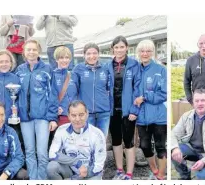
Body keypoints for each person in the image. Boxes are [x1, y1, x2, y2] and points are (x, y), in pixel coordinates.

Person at [15, 39, 58, 180]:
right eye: (29, 50)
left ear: (38, 51)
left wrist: (52, 118)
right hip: (25, 118)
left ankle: (42, 179)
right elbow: (15, 94)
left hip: (42, 118)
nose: (31, 52)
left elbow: (53, 95)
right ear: (24, 52)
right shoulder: (19, 70)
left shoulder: (47, 69)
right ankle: (33, 179)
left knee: (42, 152)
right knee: (29, 151)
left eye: (34, 49)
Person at [108, 36, 142, 180]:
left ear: (127, 48)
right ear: (113, 49)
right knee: (116, 141)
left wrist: (135, 110)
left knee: (128, 142)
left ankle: (129, 173)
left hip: (128, 111)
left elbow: (138, 88)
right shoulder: (107, 65)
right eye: (116, 47)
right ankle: (120, 170)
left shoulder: (134, 65)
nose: (119, 50)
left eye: (122, 47)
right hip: (112, 111)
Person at [133, 39, 167, 180]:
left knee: (160, 146)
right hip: (141, 117)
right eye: (142, 51)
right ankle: (154, 169)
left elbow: (163, 94)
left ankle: (161, 174)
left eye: (148, 51)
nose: (145, 53)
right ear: (138, 53)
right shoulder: (135, 70)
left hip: (159, 116)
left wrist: (145, 97)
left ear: (153, 52)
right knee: (145, 146)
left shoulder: (161, 70)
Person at [47, 101, 106, 180]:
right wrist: (76, 163)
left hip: (90, 173)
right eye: (73, 115)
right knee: (51, 167)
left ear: (87, 114)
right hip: (70, 170)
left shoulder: (97, 134)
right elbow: (52, 154)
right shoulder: (61, 130)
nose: (77, 119)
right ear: (68, 116)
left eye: (81, 115)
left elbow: (98, 166)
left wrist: (75, 179)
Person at [72, 43, 113, 137]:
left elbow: (109, 88)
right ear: (84, 55)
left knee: (101, 142)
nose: (92, 56)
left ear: (98, 54)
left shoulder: (105, 69)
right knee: (86, 142)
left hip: (104, 113)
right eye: (88, 53)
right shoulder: (78, 69)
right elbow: (74, 90)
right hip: (86, 113)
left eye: (95, 53)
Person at [0, 50, 24, 154]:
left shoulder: (16, 78)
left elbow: (20, 97)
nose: (4, 64)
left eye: (6, 61)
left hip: (13, 119)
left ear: (11, 63)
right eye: (1, 62)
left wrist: (15, 108)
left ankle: (15, 168)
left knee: (14, 146)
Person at [48, 46, 78, 149]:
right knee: (62, 146)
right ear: (56, 59)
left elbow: (78, 95)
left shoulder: (74, 75)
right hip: (61, 117)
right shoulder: (52, 75)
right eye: (61, 58)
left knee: (74, 146)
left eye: (67, 57)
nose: (64, 60)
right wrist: (55, 108)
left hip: (75, 117)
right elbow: (50, 96)